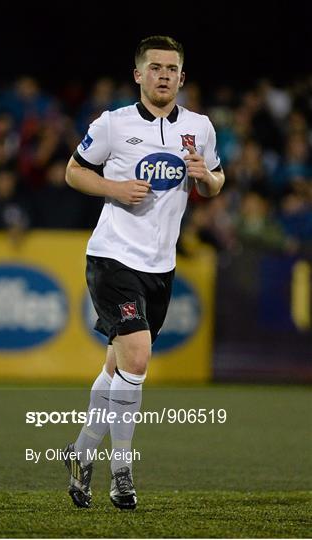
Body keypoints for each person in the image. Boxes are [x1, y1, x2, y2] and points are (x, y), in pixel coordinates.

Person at [63, 35, 225, 510]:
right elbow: (74, 172)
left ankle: (79, 455)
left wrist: (205, 178)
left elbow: (216, 183)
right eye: (154, 67)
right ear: (138, 74)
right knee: (136, 358)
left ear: (181, 76)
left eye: (171, 69)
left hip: (161, 266)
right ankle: (121, 471)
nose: (163, 75)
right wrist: (114, 187)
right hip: (113, 257)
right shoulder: (113, 124)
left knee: (117, 366)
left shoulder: (199, 128)